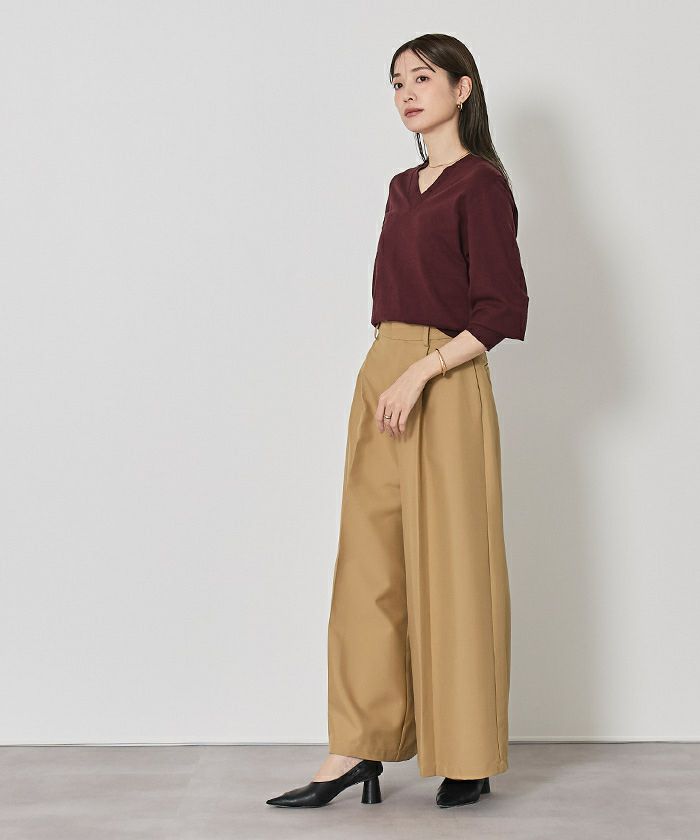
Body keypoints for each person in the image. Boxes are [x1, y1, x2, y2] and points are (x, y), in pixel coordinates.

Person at [266, 33, 529, 811]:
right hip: (383, 369)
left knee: (453, 568)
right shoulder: (401, 187)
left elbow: (502, 310)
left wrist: (422, 370)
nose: (407, 92)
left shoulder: (481, 186)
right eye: (396, 82)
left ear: (463, 89)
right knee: (369, 567)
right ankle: (356, 746)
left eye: (422, 77)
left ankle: (468, 754)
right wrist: (391, 368)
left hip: (444, 374)